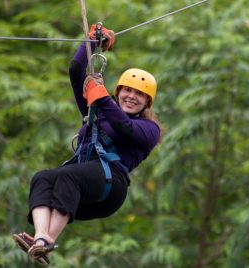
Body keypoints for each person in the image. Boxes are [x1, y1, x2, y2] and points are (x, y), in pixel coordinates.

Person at [13, 25, 163, 266]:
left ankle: (49, 240)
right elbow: (75, 70)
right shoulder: (98, 109)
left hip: (111, 185)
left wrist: (101, 97)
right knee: (42, 178)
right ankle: (40, 239)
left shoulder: (149, 129)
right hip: (83, 184)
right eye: (127, 90)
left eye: (139, 94)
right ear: (119, 91)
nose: (131, 96)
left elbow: (125, 127)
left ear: (147, 102)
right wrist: (92, 43)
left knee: (67, 176)